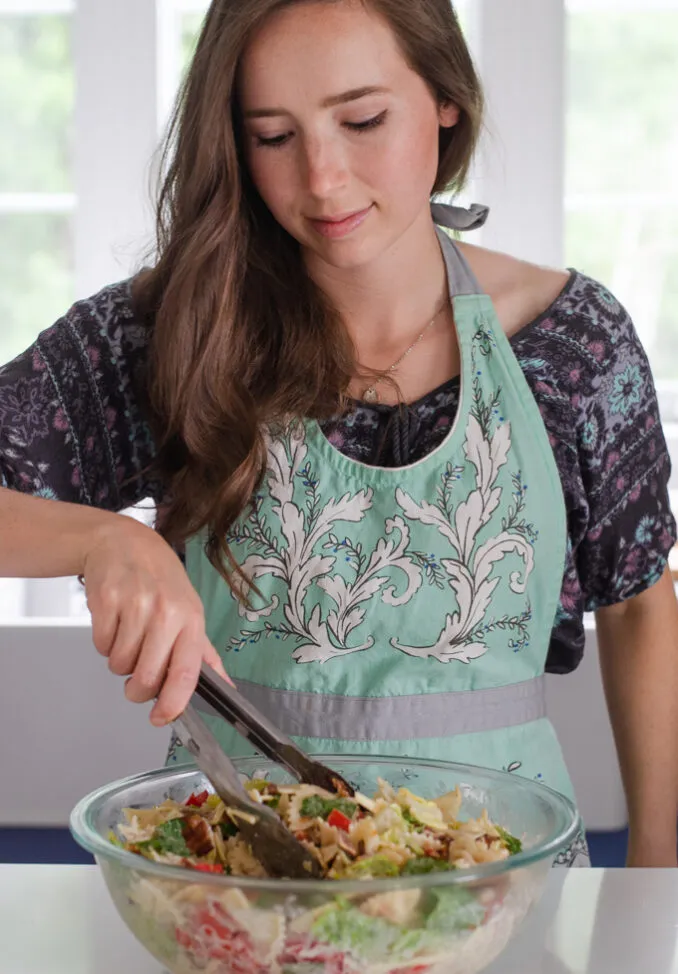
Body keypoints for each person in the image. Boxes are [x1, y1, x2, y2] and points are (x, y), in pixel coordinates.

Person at [1, 0, 677, 869]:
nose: (322, 179)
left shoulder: (572, 345)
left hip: (508, 900)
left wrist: (658, 879)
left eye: (362, 120)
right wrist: (100, 541)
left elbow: (639, 604)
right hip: (236, 892)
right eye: (273, 137)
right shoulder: (174, 333)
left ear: (445, 99)